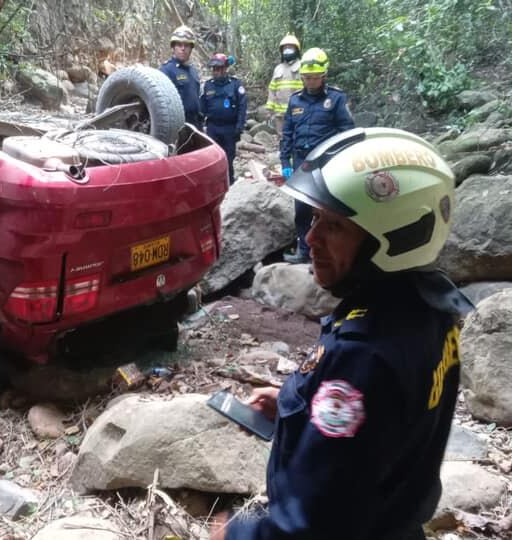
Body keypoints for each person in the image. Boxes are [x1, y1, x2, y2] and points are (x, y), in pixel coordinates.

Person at [211, 127, 474, 540]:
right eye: (315, 218)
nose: (310, 238)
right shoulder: (430, 311)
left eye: (334, 226)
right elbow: (384, 431)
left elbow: (313, 525)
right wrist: (293, 407)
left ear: (390, 241)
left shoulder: (364, 353)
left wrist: (234, 535)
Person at [280, 47, 355, 264]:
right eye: (306, 78)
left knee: (327, 212)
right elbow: (287, 134)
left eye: (314, 77)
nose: (310, 82)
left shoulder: (336, 99)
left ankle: (328, 256)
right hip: (301, 161)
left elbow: (347, 132)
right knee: (301, 209)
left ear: (324, 75)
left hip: (326, 162)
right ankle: (304, 252)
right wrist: (285, 161)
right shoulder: (295, 101)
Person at [200, 53, 247, 185]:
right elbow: (202, 108)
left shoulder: (235, 85)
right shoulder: (207, 86)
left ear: (225, 68)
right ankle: (214, 185)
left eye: (219, 68)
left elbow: (242, 107)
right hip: (213, 128)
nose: (216, 71)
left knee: (228, 159)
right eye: (214, 69)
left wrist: (239, 127)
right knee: (213, 158)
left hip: (230, 129)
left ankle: (229, 184)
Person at [160, 25, 202, 126]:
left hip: (195, 125)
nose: (183, 49)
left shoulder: (193, 71)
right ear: (173, 47)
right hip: (177, 126)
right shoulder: (166, 70)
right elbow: (161, 104)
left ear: (191, 48)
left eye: (186, 45)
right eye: (179, 45)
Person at [265, 34, 304, 134]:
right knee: (282, 139)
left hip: (298, 112)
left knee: (297, 137)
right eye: (285, 48)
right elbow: (272, 90)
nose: (287, 50)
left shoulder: (302, 66)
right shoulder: (278, 68)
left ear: (296, 50)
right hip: (280, 115)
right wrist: (269, 110)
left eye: (290, 47)